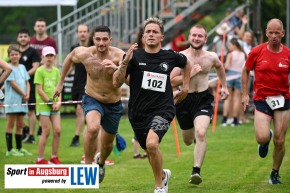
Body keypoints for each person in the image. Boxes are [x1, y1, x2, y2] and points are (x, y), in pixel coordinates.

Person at [113, 17, 191, 193]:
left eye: (155, 32)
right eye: (148, 31)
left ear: (161, 37)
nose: (151, 34)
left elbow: (187, 63)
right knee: (150, 150)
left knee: (152, 144)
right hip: (137, 113)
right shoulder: (134, 56)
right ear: (143, 36)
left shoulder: (170, 56)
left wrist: (185, 87)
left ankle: (159, 187)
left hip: (163, 109)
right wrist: (124, 62)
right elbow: (116, 82)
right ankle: (163, 175)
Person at [53, 25, 125, 183]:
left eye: (105, 39)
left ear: (110, 40)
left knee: (107, 145)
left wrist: (117, 68)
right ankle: (87, 166)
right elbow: (70, 58)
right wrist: (60, 83)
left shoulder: (119, 55)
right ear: (93, 40)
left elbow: (127, 80)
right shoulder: (84, 53)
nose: (101, 43)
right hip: (92, 97)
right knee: (92, 128)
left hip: (113, 103)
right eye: (98, 39)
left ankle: (100, 163)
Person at [170, 24, 229, 185]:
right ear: (189, 37)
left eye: (200, 36)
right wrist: (189, 75)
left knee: (201, 132)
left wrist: (224, 87)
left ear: (205, 38)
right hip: (183, 100)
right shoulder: (181, 57)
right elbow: (170, 80)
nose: (196, 38)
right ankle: (196, 141)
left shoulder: (211, 57)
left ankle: (196, 171)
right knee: (188, 140)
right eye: (194, 35)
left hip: (203, 98)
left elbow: (220, 67)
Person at [241, 18, 290, 185]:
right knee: (262, 138)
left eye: (277, 33)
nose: (274, 36)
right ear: (266, 33)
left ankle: (275, 173)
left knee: (280, 140)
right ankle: (265, 140)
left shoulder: (288, 54)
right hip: (262, 99)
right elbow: (245, 71)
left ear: (283, 33)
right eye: (271, 32)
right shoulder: (256, 51)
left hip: (283, 99)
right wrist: (244, 94)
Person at [34, 46, 62, 164]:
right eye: (47, 56)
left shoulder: (56, 71)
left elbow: (59, 88)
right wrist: (50, 103)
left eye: (51, 56)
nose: (49, 58)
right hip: (43, 105)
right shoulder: (39, 71)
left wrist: (59, 102)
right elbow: (39, 90)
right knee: (46, 131)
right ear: (43, 57)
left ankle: (54, 156)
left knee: (58, 130)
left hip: (54, 105)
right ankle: (40, 158)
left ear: (55, 57)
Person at [4, 44, 32, 156]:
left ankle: (19, 148)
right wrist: (23, 93)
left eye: (16, 54)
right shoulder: (8, 68)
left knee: (20, 124)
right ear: (9, 56)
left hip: (22, 100)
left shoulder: (23, 67)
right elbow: (13, 84)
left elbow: (27, 82)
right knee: (11, 123)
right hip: (12, 101)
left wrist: (28, 94)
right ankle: (10, 150)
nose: (14, 56)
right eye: (12, 54)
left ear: (20, 55)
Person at [17, 28, 41, 144]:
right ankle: (24, 128)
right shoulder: (15, 52)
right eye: (21, 36)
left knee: (31, 111)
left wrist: (23, 75)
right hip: (16, 86)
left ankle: (31, 136)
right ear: (18, 38)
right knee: (16, 111)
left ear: (29, 38)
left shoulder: (33, 52)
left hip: (29, 85)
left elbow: (36, 67)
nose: (23, 38)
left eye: (25, 36)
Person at [69, 24, 90, 147]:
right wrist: (61, 79)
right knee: (84, 114)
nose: (82, 33)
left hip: (88, 84)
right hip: (76, 84)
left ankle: (76, 137)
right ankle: (91, 134)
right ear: (77, 33)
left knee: (79, 110)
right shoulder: (74, 48)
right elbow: (70, 64)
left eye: (84, 31)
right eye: (80, 31)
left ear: (88, 33)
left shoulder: (92, 47)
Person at [221, 38, 246, 127]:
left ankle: (224, 119)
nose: (229, 47)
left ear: (234, 45)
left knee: (227, 98)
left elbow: (227, 67)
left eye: (230, 46)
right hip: (239, 77)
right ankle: (235, 120)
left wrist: (222, 67)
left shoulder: (231, 54)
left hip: (229, 77)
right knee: (237, 99)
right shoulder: (243, 54)